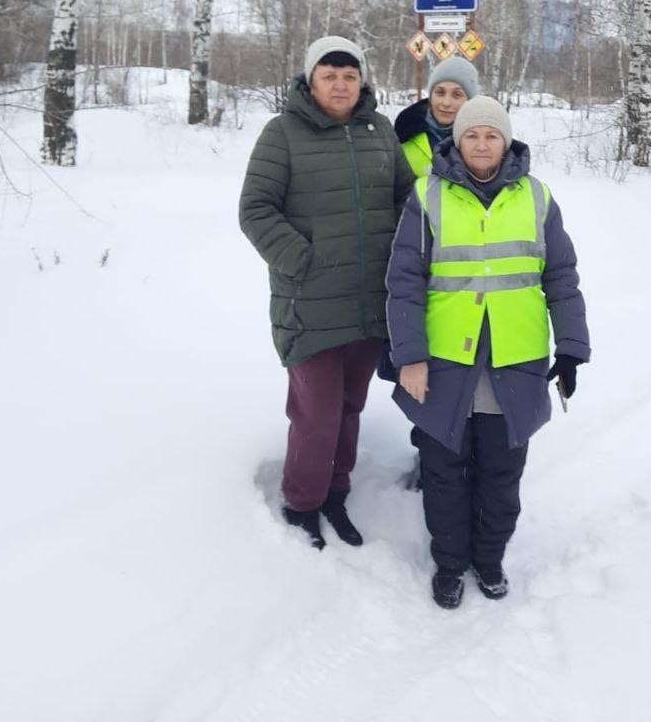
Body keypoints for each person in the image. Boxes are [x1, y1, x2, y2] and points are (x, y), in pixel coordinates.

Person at [385, 95, 590, 608]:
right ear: (458, 140)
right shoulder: (426, 196)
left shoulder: (537, 198)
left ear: (506, 140)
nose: (481, 144)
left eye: (491, 135)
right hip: (443, 364)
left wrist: (569, 349)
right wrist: (409, 356)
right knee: (444, 474)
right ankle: (451, 565)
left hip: (514, 363)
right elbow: (403, 282)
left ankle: (490, 559)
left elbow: (561, 278)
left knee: (502, 475)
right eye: (472, 134)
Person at [239, 35, 414, 550]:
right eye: (328, 75)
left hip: (368, 299)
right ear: (310, 81)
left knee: (350, 405)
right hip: (310, 303)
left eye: (349, 74)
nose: (340, 84)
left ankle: (336, 492)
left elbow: (405, 196)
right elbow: (255, 210)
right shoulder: (282, 133)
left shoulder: (378, 129)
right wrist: (304, 261)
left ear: (362, 79)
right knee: (315, 413)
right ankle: (301, 503)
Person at [394, 57, 479, 176]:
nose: (446, 103)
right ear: (431, 95)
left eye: (457, 95)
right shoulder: (403, 135)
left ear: (469, 100)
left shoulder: (483, 142)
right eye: (440, 92)